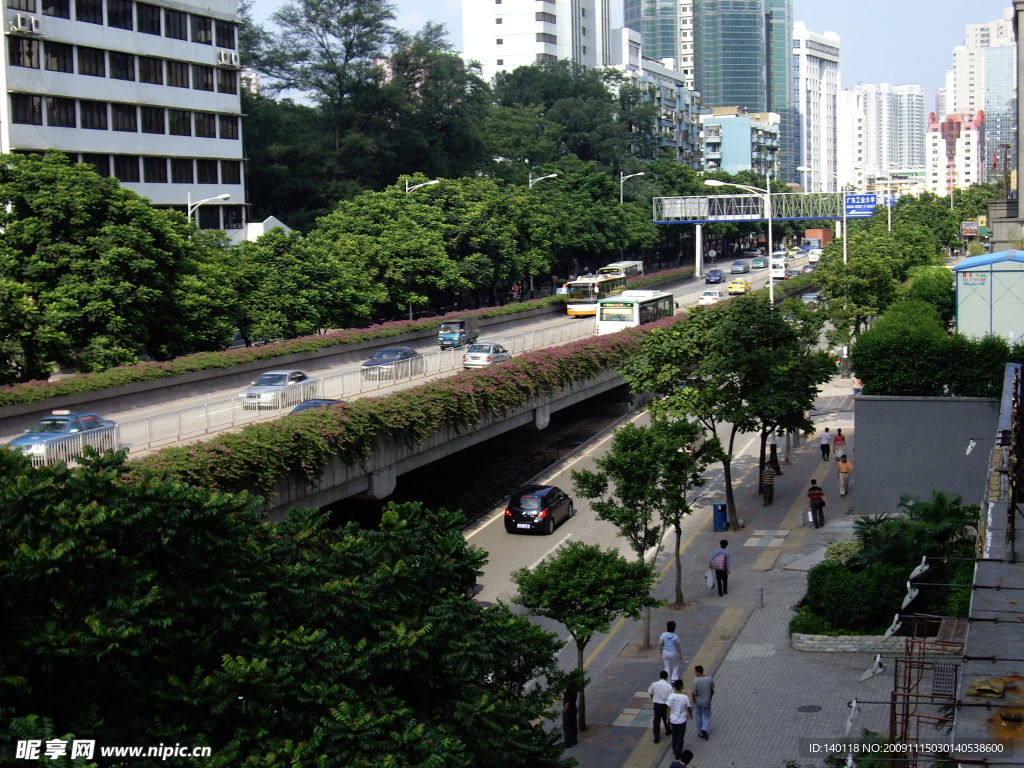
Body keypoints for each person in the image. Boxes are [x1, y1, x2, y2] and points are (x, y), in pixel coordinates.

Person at [667, 679, 694, 761]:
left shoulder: (671, 696)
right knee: (680, 736)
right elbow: (688, 707)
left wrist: (667, 718)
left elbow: (668, 708)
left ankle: (674, 749)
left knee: (674, 734)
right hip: (681, 720)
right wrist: (690, 714)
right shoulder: (684, 697)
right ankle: (678, 753)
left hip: (673, 719)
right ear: (681, 686)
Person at [648, 670, 673, 743]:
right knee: (666, 718)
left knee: (656, 721)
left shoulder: (654, 684)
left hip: (656, 704)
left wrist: (653, 698)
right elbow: (671, 697)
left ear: (660, 676)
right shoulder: (669, 686)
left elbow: (650, 693)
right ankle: (668, 731)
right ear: (667, 677)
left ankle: (656, 737)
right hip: (665, 705)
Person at [690, 665, 714, 740]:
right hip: (707, 700)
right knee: (707, 716)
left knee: (698, 716)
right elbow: (712, 690)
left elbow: (693, 693)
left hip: (698, 701)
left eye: (695, 671)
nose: (694, 673)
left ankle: (700, 732)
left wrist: (693, 699)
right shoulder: (709, 679)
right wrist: (710, 697)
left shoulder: (695, 681)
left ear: (698, 672)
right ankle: (704, 729)